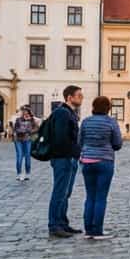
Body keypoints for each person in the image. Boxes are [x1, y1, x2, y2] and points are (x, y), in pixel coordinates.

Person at [78, 97, 123, 240]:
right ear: (108, 108)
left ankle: (88, 229)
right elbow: (117, 143)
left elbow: (80, 141)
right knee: (101, 197)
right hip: (105, 161)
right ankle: (97, 230)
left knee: (90, 196)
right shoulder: (111, 122)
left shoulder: (86, 122)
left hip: (87, 161)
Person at [45, 86, 84, 237]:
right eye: (79, 95)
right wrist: (75, 152)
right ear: (69, 97)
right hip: (62, 157)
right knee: (59, 192)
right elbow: (61, 138)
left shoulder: (69, 112)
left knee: (66, 193)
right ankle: (54, 225)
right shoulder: (62, 113)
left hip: (69, 157)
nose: (81, 98)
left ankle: (63, 223)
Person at [12, 106, 39, 181]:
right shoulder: (18, 120)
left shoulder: (32, 120)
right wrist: (24, 130)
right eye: (24, 113)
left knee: (27, 156)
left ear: (29, 113)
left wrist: (29, 130)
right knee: (19, 156)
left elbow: (37, 128)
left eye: (27, 113)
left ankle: (27, 173)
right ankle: (19, 174)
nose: (25, 114)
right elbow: (16, 129)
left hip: (27, 140)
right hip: (18, 140)